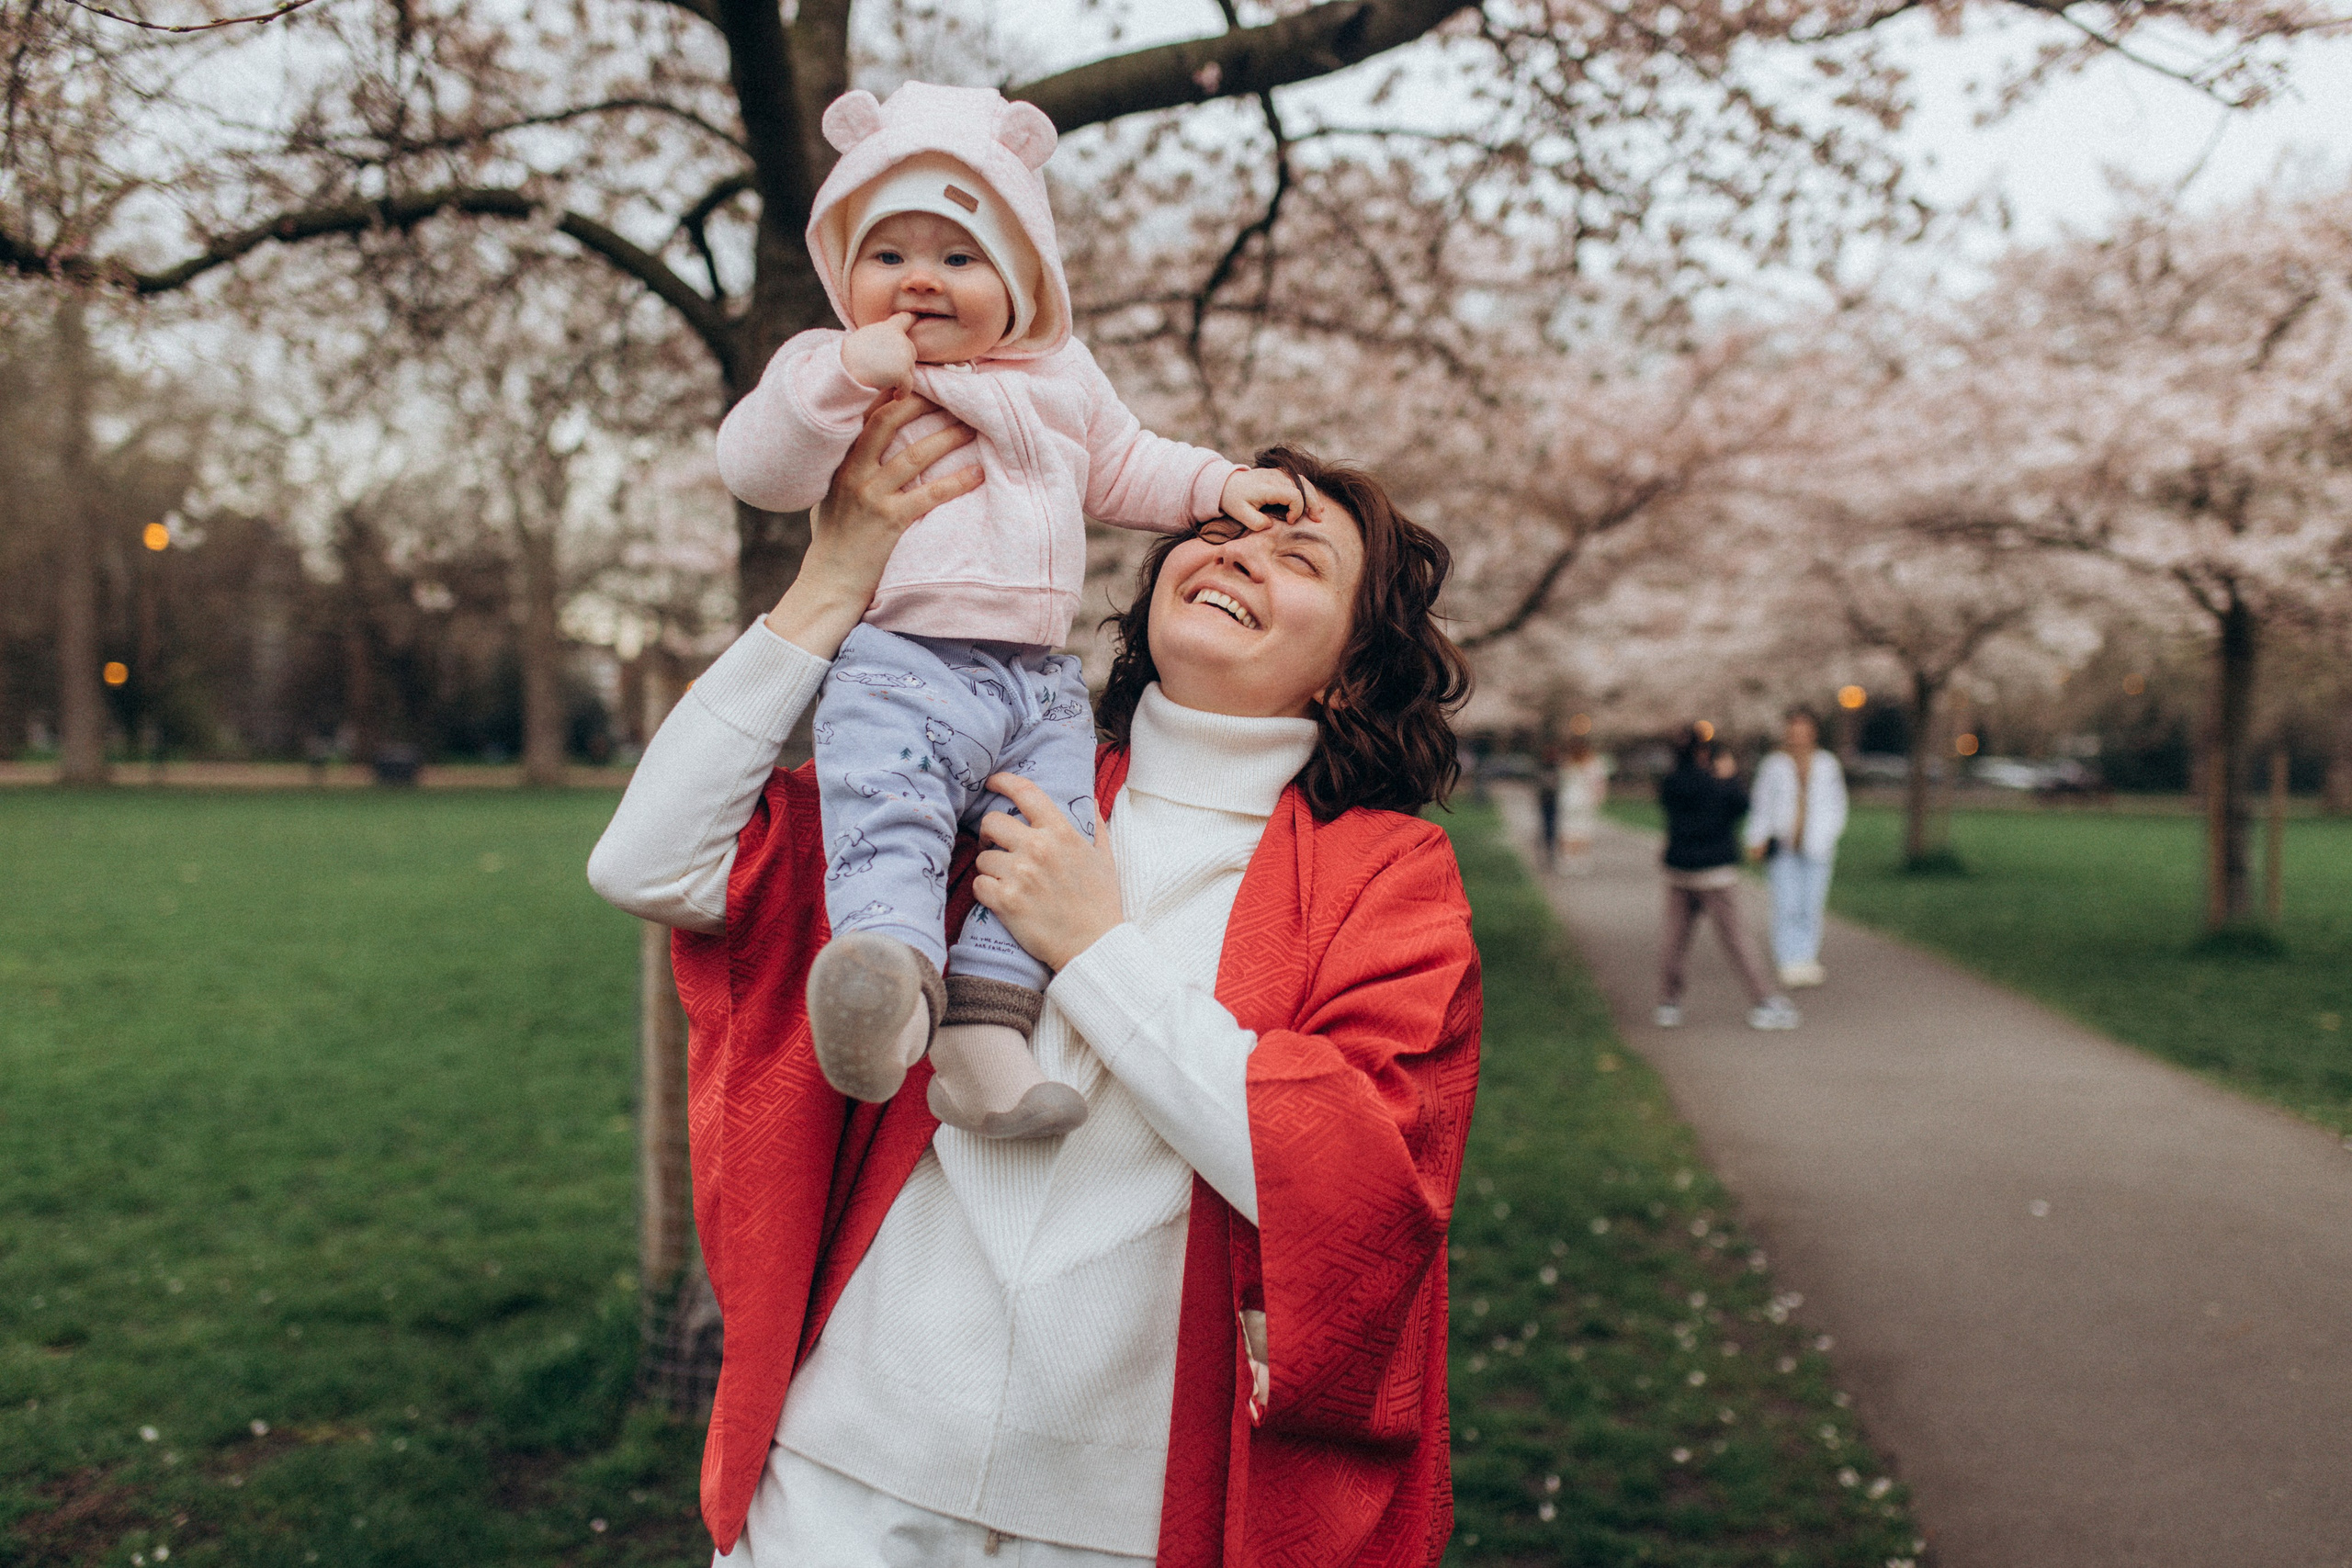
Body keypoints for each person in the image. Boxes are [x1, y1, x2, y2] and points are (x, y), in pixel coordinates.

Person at [588, 414, 1481, 1567]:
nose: (1241, 553)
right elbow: (649, 864)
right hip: (842, 1477)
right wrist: (831, 584)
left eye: (1298, 556)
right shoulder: (979, 775)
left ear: (1356, 669)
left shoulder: (1386, 880)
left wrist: (1095, 948)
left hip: (1113, 1524)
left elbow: (1356, 1179)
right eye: (1218, 530)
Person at [712, 81, 1301, 1139]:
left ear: (1023, 280)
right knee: (890, 822)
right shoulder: (833, 368)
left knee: (1049, 844)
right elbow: (760, 470)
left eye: (959, 256)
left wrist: (1218, 483)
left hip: (1037, 686)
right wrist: (839, 378)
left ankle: (984, 1042)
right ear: (844, 269)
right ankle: (884, 989)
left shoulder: (1061, 377)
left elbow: (1124, 464)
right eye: (886, 255)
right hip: (901, 662)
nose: (919, 281)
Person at [1654, 728, 1800, 1032]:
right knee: (1737, 939)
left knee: (1675, 940)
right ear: (1702, 752)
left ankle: (1669, 1002)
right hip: (1715, 874)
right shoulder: (1718, 785)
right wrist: (1730, 776)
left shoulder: (1671, 784)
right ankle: (1765, 999)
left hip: (1680, 871)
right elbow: (1742, 805)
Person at [1745, 707, 1849, 988]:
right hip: (1784, 845)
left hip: (1817, 845)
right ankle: (1788, 959)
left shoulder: (1827, 764)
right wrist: (1757, 837)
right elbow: (1761, 804)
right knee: (1786, 904)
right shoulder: (1774, 764)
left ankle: (1807, 957)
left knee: (1811, 904)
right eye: (1794, 731)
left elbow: (1837, 804)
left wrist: (1828, 834)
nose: (1799, 736)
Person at [1555, 734, 1611, 876]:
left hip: (1571, 800)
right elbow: (1599, 783)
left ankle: (1570, 859)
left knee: (1571, 830)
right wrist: (1599, 798)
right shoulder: (1592, 763)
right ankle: (1579, 860)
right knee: (1581, 830)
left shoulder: (1568, 763)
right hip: (1582, 800)